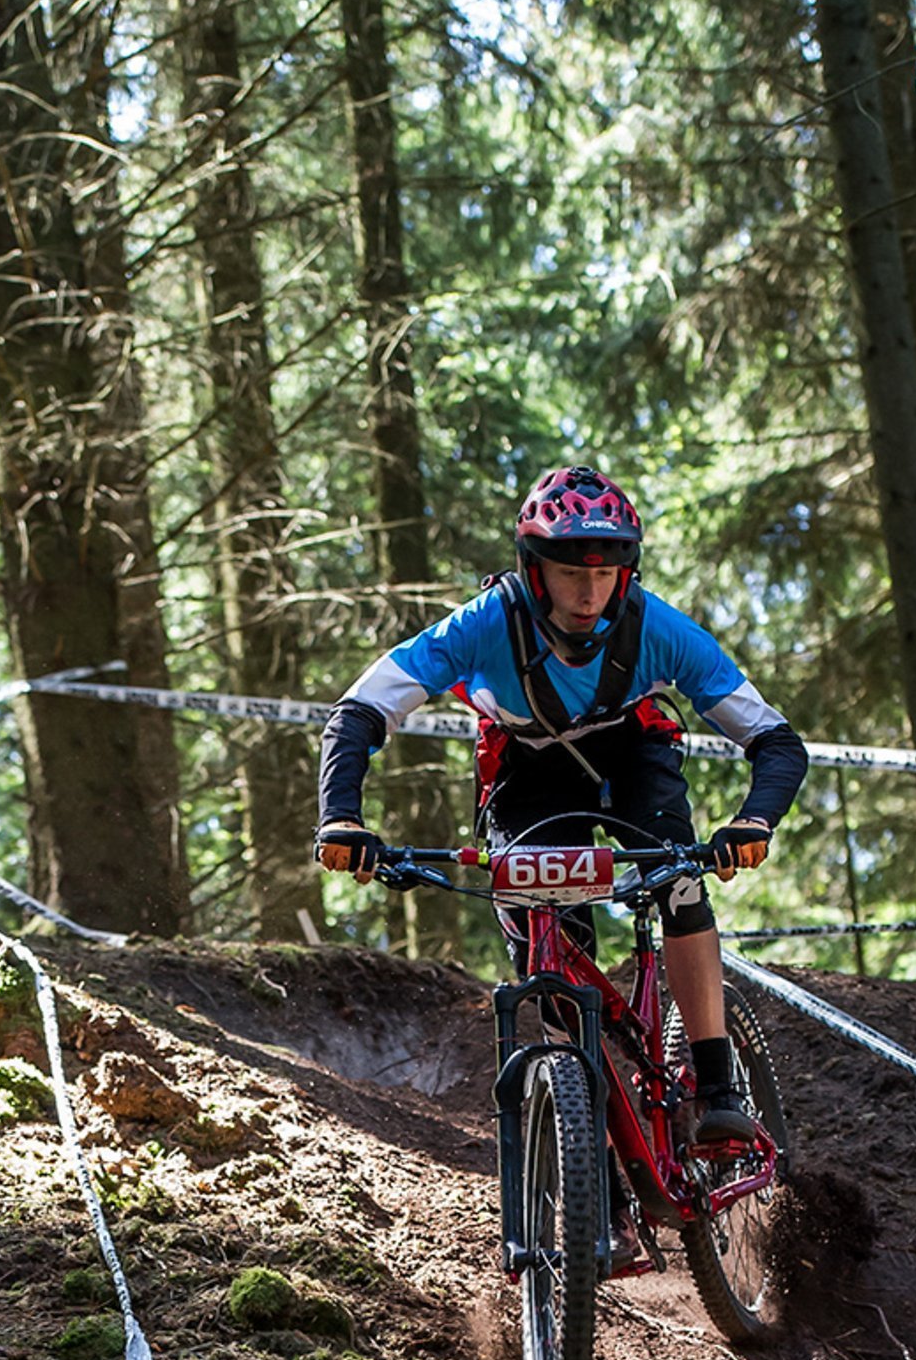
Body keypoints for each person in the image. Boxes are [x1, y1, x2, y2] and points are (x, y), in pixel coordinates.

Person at [313, 464, 808, 1143]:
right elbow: (362, 709)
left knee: (681, 886)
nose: (590, 592)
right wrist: (342, 815)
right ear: (533, 567)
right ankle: (591, 1152)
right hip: (528, 768)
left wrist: (753, 821)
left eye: (606, 573)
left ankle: (718, 1084)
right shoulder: (487, 622)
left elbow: (775, 739)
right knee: (545, 930)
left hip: (632, 756)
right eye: (571, 571)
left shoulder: (655, 626)